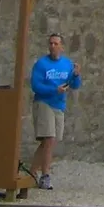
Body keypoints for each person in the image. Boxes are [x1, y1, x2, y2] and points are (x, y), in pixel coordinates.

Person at [28, 33, 81, 190]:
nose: (52, 46)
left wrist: (76, 75)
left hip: (59, 105)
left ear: (61, 47)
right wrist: (54, 90)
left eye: (56, 44)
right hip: (44, 102)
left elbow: (75, 85)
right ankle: (45, 176)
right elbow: (36, 86)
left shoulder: (67, 64)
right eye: (50, 43)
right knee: (49, 139)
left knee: (50, 142)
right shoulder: (41, 64)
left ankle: (32, 172)